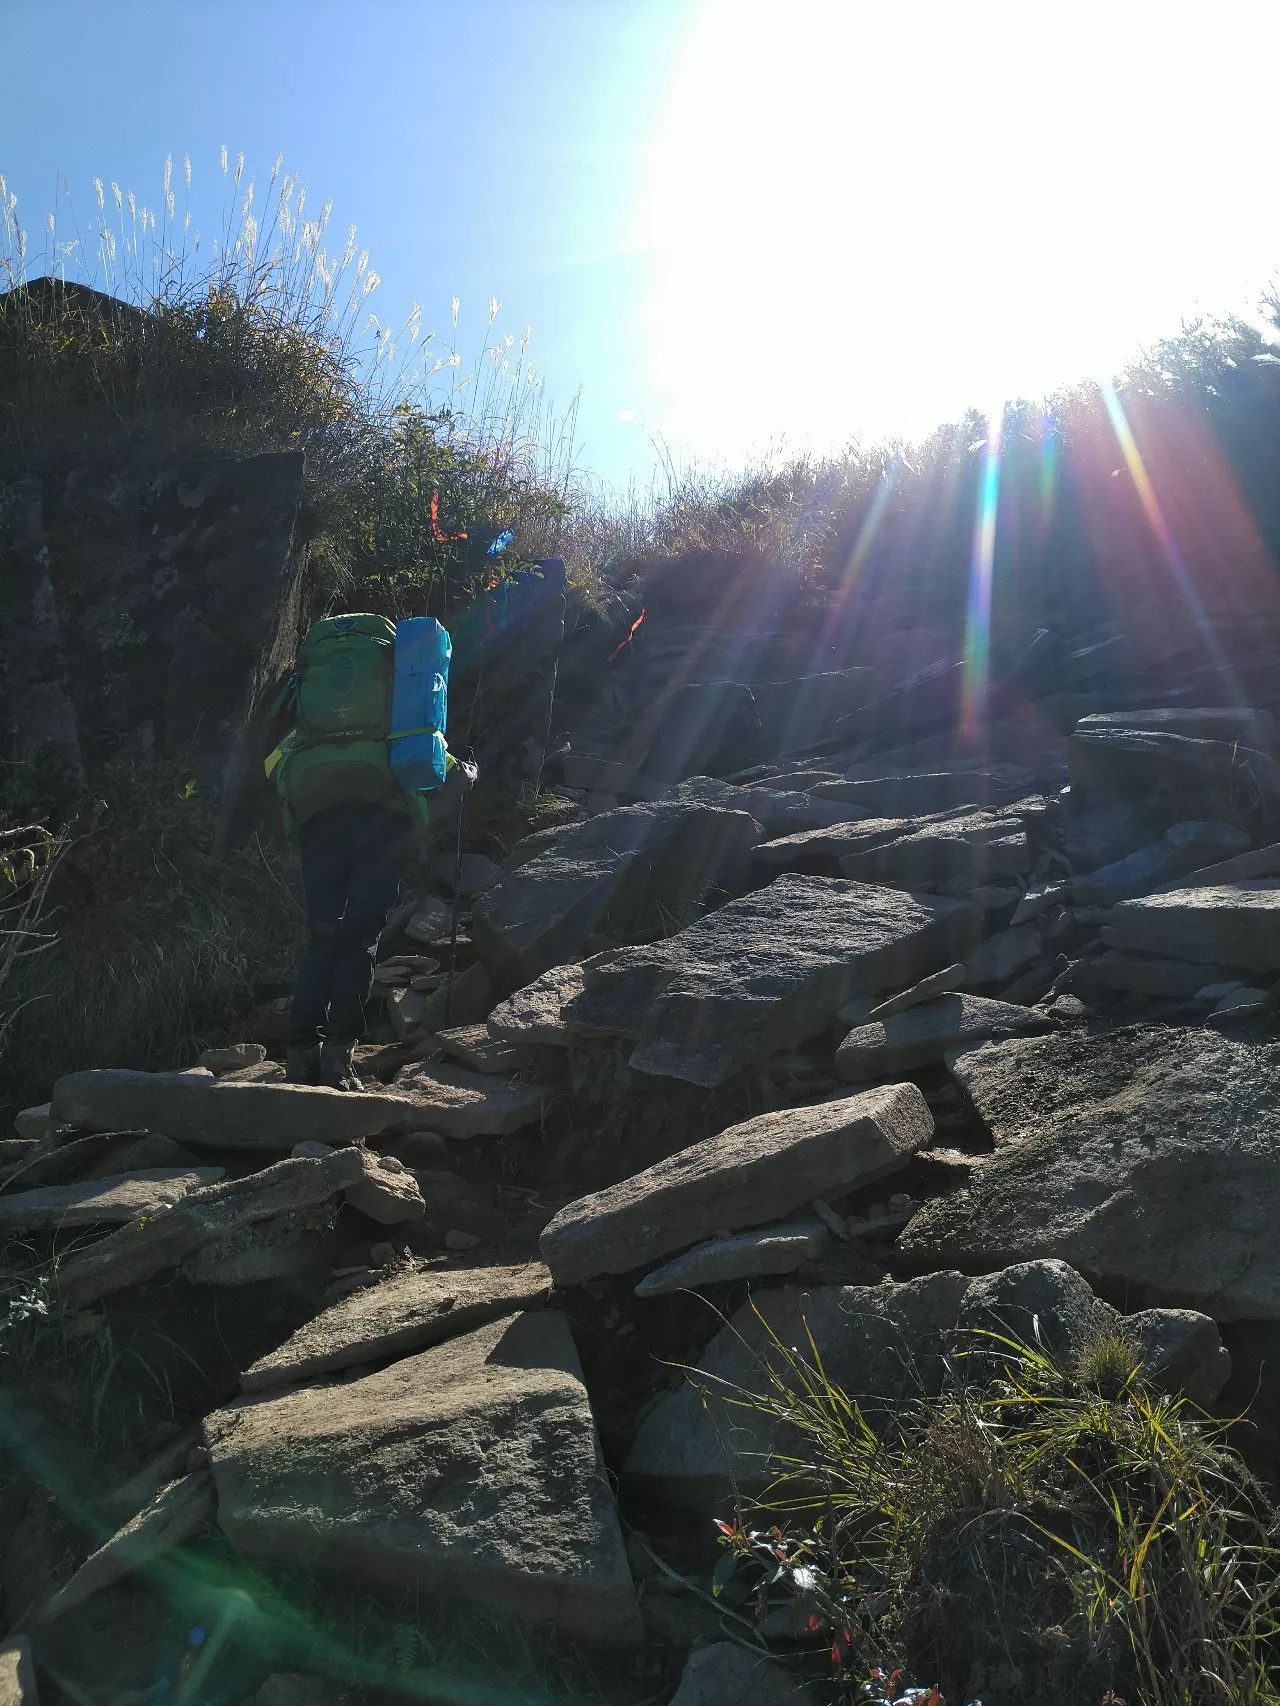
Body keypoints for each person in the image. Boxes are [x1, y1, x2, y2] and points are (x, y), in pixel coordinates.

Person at [265, 612, 473, 1093]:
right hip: (380, 820)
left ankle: (300, 1058)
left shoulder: (313, 718)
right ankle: (338, 1061)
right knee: (359, 940)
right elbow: (435, 761)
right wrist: (469, 772)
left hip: (320, 816)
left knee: (321, 934)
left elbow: (274, 764)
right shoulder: (400, 704)